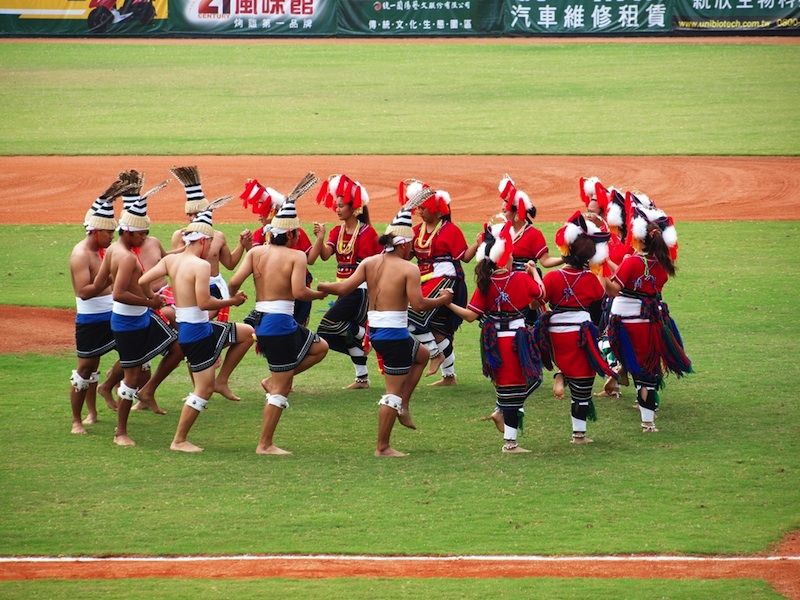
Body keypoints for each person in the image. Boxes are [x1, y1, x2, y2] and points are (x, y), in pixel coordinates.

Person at [318, 193, 453, 457]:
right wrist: (442, 300)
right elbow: (419, 305)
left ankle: (404, 405)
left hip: (377, 331)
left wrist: (322, 287)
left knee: (423, 355)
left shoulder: (369, 263)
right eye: (411, 246)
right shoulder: (408, 269)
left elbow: (344, 288)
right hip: (393, 334)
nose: (412, 250)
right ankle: (383, 445)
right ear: (403, 245)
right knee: (391, 392)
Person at [140, 201, 254, 452]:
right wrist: (232, 300)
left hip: (192, 328)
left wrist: (152, 298)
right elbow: (204, 303)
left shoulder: (173, 262)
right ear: (202, 241)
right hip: (198, 332)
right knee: (202, 391)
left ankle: (221, 381)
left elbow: (142, 280)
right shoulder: (201, 266)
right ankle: (179, 440)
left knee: (246, 333)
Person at [229, 177, 329, 456]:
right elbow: (299, 292)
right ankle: (265, 444)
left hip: (262, 321)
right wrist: (318, 295)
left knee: (320, 346)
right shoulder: (296, 256)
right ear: (294, 234)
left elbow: (234, 282)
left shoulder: (257, 252)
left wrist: (235, 298)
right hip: (282, 324)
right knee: (281, 388)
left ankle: (275, 381)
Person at [445, 221, 545, 453]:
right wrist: (533, 273)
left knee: (506, 387)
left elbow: (471, 316)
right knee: (529, 382)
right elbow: (540, 294)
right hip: (518, 341)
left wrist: (449, 304)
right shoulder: (520, 278)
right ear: (505, 258)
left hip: (494, 342)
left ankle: (506, 427)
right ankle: (509, 441)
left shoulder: (486, 283)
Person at [99, 187, 184, 447]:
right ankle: (120, 432)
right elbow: (119, 293)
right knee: (133, 375)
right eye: (142, 233)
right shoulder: (125, 258)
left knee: (176, 344)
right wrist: (149, 301)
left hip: (136, 318)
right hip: (130, 322)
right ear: (129, 232)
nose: (145, 237)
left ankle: (134, 394)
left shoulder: (114, 250)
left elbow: (101, 281)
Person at [605, 199, 692, 433]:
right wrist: (610, 264)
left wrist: (598, 273)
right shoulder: (662, 264)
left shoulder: (632, 261)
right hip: (651, 323)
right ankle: (647, 422)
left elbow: (614, 288)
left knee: (626, 361)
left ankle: (621, 377)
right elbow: (633, 278)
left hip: (626, 324)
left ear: (639, 237)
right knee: (648, 370)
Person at [534, 212, 617, 444]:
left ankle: (561, 373)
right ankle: (578, 434)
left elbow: (538, 299)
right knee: (584, 380)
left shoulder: (552, 278)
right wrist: (597, 270)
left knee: (567, 364)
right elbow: (600, 295)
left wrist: (533, 275)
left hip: (556, 332)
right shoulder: (590, 279)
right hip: (580, 330)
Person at [68, 182, 127, 434]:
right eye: (108, 233)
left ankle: (97, 405)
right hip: (91, 318)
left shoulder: (105, 250)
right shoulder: (81, 254)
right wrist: (111, 281)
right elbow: (83, 291)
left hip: (113, 313)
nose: (112, 237)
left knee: (134, 357)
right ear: (95, 232)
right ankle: (78, 419)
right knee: (85, 369)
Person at [313, 174, 381, 389]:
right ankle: (362, 378)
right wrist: (320, 237)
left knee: (326, 327)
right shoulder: (337, 231)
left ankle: (366, 334)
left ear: (355, 208)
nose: (337, 209)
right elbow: (324, 255)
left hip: (359, 290)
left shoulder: (368, 233)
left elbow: (378, 264)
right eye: (337, 205)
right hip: (343, 290)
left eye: (342, 206)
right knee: (342, 330)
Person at [401, 179, 468, 386]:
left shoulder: (450, 230)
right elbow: (406, 256)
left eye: (424, 208)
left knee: (411, 314)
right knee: (437, 330)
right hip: (423, 281)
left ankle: (433, 354)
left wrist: (478, 244)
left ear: (439, 212)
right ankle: (449, 376)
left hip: (446, 280)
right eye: (419, 207)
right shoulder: (417, 229)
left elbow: (463, 257)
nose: (420, 211)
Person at [170, 165, 252, 323]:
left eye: (196, 214)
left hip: (215, 289)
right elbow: (176, 268)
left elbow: (230, 264)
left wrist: (241, 245)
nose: (192, 218)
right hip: (190, 288)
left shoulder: (218, 237)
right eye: (190, 214)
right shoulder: (180, 236)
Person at [241, 176, 321, 327]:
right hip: (273, 292)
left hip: (297, 290)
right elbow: (255, 260)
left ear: (273, 211)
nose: (259, 215)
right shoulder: (260, 234)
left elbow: (310, 259)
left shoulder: (296, 233)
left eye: (262, 211)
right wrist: (246, 246)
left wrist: (320, 239)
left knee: (294, 330)